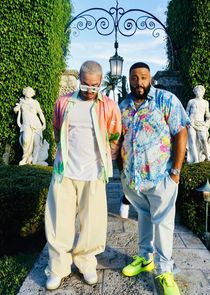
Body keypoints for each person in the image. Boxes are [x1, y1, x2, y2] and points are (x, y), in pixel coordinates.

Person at [44, 60, 122, 290]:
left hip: (94, 173)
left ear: (100, 83)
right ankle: (58, 268)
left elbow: (115, 134)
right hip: (64, 171)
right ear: (79, 79)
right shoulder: (64, 102)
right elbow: (57, 130)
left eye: (95, 86)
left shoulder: (108, 105)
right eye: (86, 85)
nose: (90, 90)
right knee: (59, 221)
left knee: (93, 222)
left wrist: (108, 159)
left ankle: (86, 262)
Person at [119, 62, 190, 295]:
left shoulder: (165, 100)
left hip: (161, 177)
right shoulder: (124, 106)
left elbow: (181, 131)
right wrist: (120, 170)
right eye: (134, 78)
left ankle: (165, 270)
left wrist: (176, 172)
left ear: (149, 79)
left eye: (143, 77)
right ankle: (144, 258)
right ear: (129, 80)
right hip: (133, 179)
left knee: (163, 223)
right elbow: (118, 138)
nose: (139, 82)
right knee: (144, 216)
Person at [13, 86, 47, 165]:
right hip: (26, 124)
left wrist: (44, 123)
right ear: (24, 92)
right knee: (25, 140)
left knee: (36, 143)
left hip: (36, 124)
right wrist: (16, 109)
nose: (29, 93)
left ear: (32, 94)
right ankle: (25, 158)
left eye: (30, 92)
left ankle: (34, 161)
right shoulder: (21, 102)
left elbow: (40, 113)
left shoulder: (35, 102)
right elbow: (16, 109)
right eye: (27, 91)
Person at [186, 85, 210, 163]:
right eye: (197, 91)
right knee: (192, 140)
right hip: (191, 123)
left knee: (203, 139)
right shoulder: (191, 101)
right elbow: (186, 112)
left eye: (200, 91)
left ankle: (207, 156)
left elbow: (207, 114)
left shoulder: (205, 102)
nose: (199, 92)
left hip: (201, 124)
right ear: (194, 92)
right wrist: (187, 121)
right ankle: (195, 159)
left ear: (203, 92)